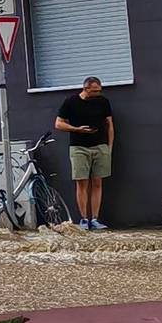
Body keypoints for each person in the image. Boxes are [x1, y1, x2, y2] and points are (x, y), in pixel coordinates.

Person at [54, 78, 114, 230]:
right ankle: (84, 219)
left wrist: (109, 147)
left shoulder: (103, 102)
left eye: (99, 90)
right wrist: (77, 129)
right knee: (82, 182)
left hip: (100, 146)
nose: (97, 93)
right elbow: (58, 124)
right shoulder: (71, 102)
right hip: (79, 147)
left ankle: (95, 218)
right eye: (94, 91)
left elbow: (109, 124)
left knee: (98, 182)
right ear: (86, 89)